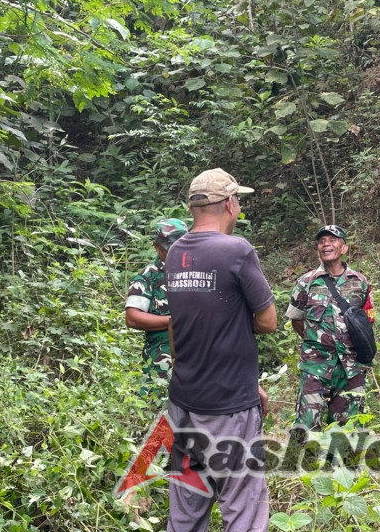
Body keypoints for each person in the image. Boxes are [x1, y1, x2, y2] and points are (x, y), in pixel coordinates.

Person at [165, 168, 276, 532]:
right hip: (228, 407)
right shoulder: (237, 250)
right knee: (243, 511)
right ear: (229, 203)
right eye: (238, 199)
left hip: (183, 402)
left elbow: (180, 329)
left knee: (185, 513)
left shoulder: (174, 252)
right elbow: (268, 321)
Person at [286, 224, 374, 431]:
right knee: (306, 426)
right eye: (322, 241)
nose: (326, 244)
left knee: (348, 428)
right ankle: (303, 463)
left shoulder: (360, 282)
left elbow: (366, 323)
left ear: (344, 248)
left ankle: (341, 464)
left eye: (332, 240)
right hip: (315, 367)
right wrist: (318, 344)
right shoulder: (306, 282)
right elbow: (296, 320)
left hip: (351, 368)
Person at [125, 218, 188, 395]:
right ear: (157, 246)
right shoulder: (148, 277)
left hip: (195, 361)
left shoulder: (196, 271)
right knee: (158, 415)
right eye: (171, 249)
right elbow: (132, 317)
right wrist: (173, 322)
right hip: (160, 363)